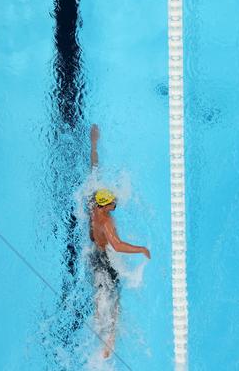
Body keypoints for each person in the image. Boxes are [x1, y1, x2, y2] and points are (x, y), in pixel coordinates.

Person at [88, 124, 150, 359]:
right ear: (105, 206)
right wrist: (141, 249)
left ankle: (96, 319)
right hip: (104, 259)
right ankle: (108, 346)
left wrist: (94, 143)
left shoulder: (92, 206)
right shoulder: (107, 221)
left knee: (99, 291)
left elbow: (93, 166)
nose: (115, 204)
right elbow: (117, 245)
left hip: (93, 254)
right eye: (112, 203)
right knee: (115, 300)